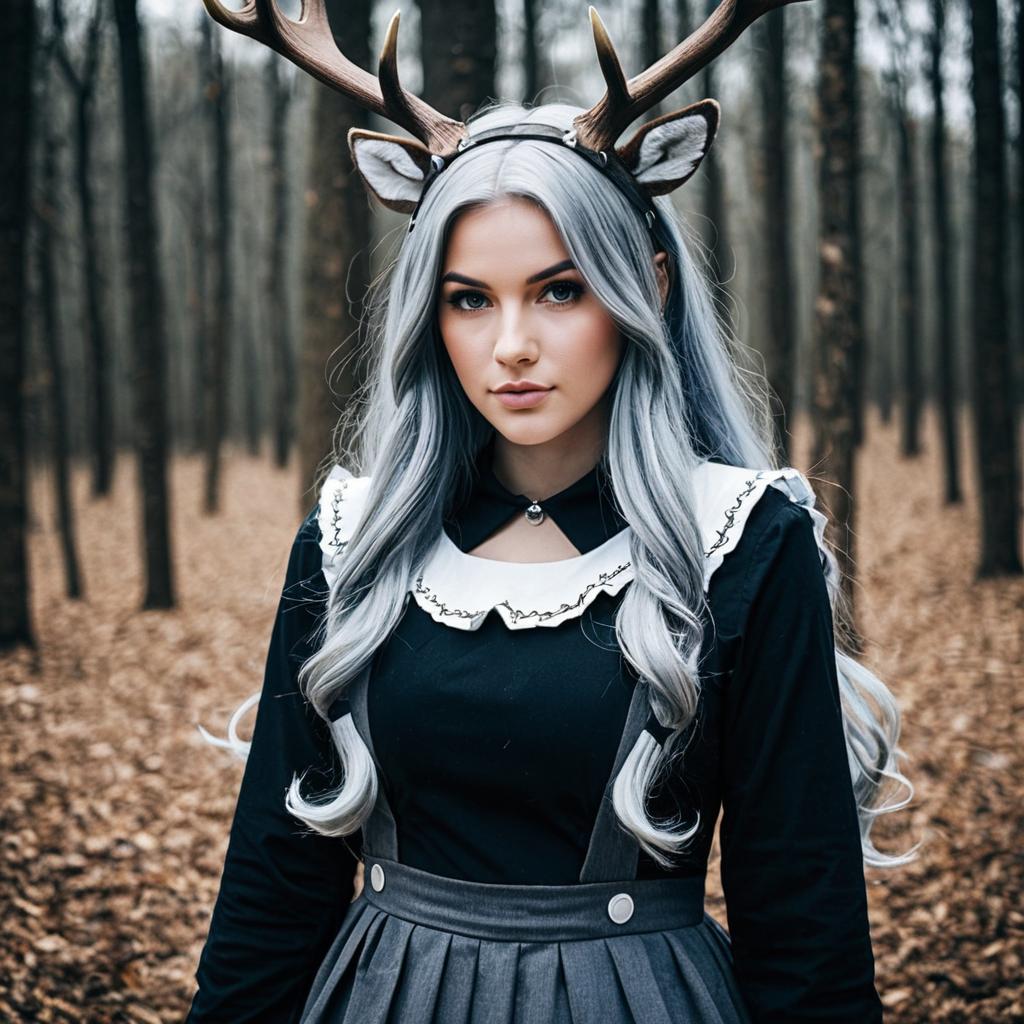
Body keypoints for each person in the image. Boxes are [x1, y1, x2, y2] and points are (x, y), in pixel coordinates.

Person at [188, 3, 916, 1022]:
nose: (511, 345)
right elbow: (277, 881)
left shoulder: (745, 544)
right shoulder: (352, 541)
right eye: (469, 297)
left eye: (559, 291)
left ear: (645, 285)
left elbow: (804, 923)